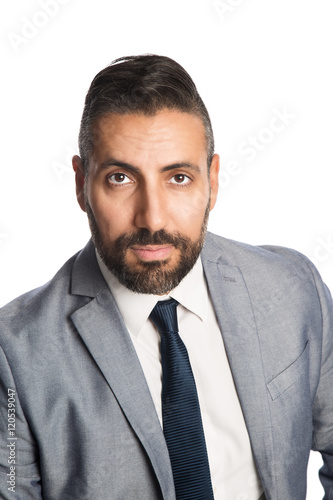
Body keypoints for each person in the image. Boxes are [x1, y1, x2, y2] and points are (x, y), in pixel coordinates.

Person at [0, 54, 332, 500]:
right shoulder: (16, 353)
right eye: (120, 177)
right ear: (81, 183)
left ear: (212, 180)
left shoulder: (292, 289)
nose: (152, 218)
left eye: (178, 177)